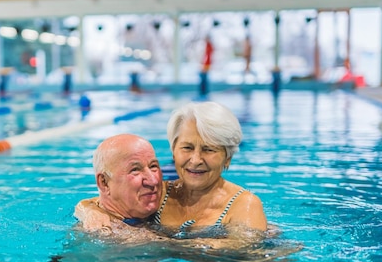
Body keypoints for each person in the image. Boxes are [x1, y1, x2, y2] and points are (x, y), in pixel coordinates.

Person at [75, 101, 268, 239]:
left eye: (209, 149)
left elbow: (241, 253)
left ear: (228, 158)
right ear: (173, 152)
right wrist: (89, 210)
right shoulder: (161, 193)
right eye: (187, 148)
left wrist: (146, 240)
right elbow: (99, 201)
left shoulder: (244, 205)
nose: (196, 160)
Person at [73, 133, 163, 239]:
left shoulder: (167, 199)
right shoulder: (99, 235)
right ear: (104, 182)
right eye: (135, 170)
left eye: (153, 166)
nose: (153, 181)